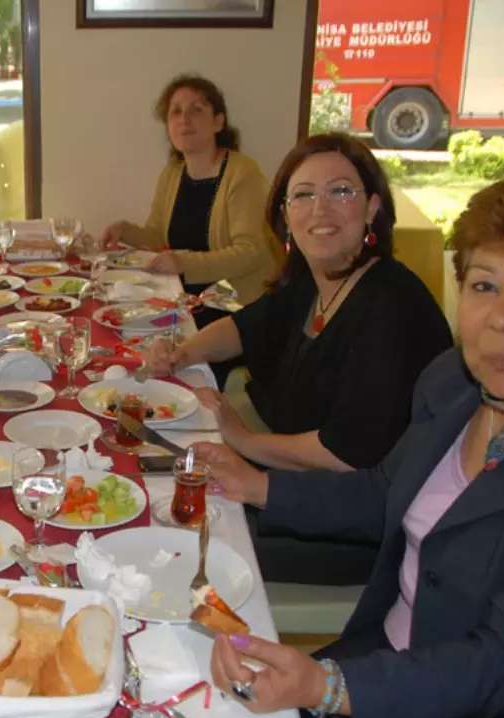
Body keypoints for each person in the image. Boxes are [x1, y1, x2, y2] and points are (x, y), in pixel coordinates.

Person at [202, 170, 504, 718]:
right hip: (382, 666)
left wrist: (330, 688)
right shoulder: (455, 383)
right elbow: (386, 491)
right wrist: (256, 485)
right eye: (484, 286)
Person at [146, 133, 452, 585]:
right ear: (285, 215)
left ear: (371, 208)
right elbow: (247, 326)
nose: (320, 210)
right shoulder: (319, 279)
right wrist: (181, 352)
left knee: (170, 546)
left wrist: (245, 441)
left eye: (340, 191)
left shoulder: (391, 307)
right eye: (303, 195)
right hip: (302, 486)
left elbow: (347, 454)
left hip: (352, 527)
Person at [99, 75, 281, 331]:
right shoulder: (173, 174)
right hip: (187, 300)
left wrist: (185, 264)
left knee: (154, 342)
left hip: (238, 309)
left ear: (218, 121)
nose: (184, 120)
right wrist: (125, 230)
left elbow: (251, 252)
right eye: (176, 112)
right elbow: (159, 237)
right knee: (117, 321)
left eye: (196, 110)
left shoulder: (243, 173)